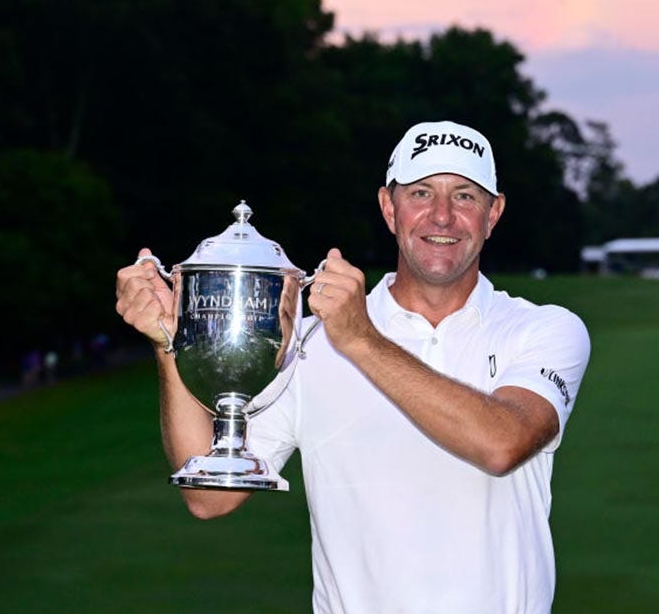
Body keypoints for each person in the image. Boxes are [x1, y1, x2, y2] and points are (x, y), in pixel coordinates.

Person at [115, 120, 591, 613]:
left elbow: (503, 444)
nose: (443, 216)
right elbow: (208, 497)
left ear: (494, 213)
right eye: (422, 193)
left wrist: (361, 339)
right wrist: (169, 344)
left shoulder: (543, 330)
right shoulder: (309, 342)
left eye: (466, 196)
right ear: (390, 207)